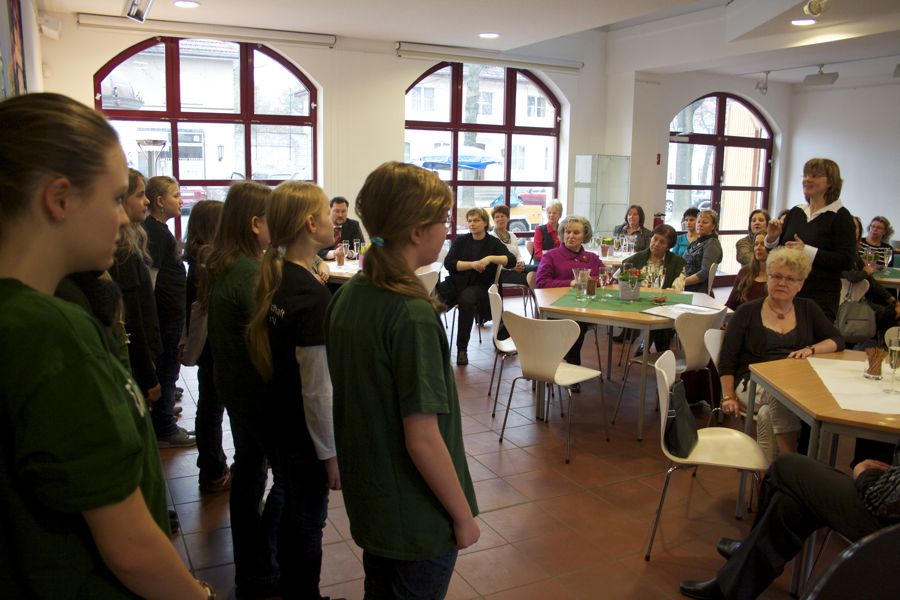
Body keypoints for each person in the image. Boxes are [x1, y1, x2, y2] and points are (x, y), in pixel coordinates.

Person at [0, 92, 210, 598]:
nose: (124, 218)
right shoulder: (49, 331)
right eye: (116, 198)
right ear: (60, 198)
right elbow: (132, 548)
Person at [324, 161, 480, 598]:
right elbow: (423, 437)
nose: (447, 231)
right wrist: (462, 515)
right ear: (415, 231)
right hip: (416, 513)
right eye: (443, 221)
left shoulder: (349, 295)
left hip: (373, 498)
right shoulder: (410, 313)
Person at [247, 182, 341, 599]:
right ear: (310, 222)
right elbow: (318, 391)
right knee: (307, 521)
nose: (333, 216)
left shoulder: (280, 277)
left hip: (278, 421)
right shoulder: (311, 299)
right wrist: (331, 453)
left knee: (290, 508)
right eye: (326, 210)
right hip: (303, 436)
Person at [678, 449, 900, 600]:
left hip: (888, 526)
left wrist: (865, 472)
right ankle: (733, 585)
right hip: (888, 505)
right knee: (791, 504)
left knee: (786, 466)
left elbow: (878, 498)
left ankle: (743, 559)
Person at [206, 182, 283, 598]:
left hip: (235, 390)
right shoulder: (250, 273)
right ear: (256, 224)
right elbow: (268, 346)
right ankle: (263, 565)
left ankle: (251, 564)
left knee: (249, 474)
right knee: (287, 478)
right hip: (256, 395)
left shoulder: (226, 262)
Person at [718, 248, 843, 462]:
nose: (782, 283)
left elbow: (837, 340)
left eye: (790, 278)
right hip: (753, 382)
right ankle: (792, 461)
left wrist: (811, 349)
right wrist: (728, 395)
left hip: (796, 383)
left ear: (800, 284)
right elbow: (727, 360)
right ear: (767, 278)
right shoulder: (746, 312)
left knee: (773, 411)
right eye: (776, 276)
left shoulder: (807, 308)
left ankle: (772, 470)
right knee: (780, 394)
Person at [765, 158, 856, 322]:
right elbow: (780, 252)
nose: (807, 179)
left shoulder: (841, 216)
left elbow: (846, 260)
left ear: (830, 182)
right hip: (786, 295)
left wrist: (806, 251)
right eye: (805, 175)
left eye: (814, 176)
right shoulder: (796, 212)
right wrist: (772, 238)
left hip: (820, 298)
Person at [143, 175, 196, 447]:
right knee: (166, 370)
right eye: (176, 195)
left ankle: (163, 411)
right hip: (165, 317)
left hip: (172, 314)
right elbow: (149, 284)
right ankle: (164, 427)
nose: (181, 200)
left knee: (169, 371)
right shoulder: (154, 233)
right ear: (160, 201)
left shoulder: (160, 231)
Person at [182, 200, 231, 494]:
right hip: (213, 343)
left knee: (209, 406)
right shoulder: (209, 257)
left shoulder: (198, 253)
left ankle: (211, 466)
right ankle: (212, 469)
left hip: (207, 344)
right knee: (212, 408)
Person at [109, 168, 162, 407]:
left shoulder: (132, 245)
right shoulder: (123, 255)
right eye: (140, 195)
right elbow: (132, 319)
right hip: (137, 362)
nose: (147, 200)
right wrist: (147, 374)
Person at [438, 207, 517, 366]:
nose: (472, 224)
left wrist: (490, 258)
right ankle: (433, 347)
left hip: (480, 286)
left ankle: (462, 349)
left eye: (476, 220)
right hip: (456, 283)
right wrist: (473, 264)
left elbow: (511, 260)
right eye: (470, 221)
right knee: (431, 298)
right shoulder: (461, 241)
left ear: (485, 222)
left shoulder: (493, 243)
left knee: (466, 300)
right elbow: (449, 263)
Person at [536, 215, 605, 377]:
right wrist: (571, 283)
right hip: (558, 308)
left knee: (580, 320)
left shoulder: (592, 258)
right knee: (577, 323)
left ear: (584, 236)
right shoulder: (551, 256)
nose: (571, 236)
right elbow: (542, 282)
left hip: (588, 308)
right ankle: (573, 364)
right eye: (568, 232)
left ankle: (569, 363)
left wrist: (590, 280)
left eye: (576, 233)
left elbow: (605, 278)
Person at [623, 224, 686, 352]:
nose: (656, 244)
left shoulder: (677, 262)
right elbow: (621, 281)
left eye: (662, 242)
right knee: (659, 325)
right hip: (637, 305)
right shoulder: (635, 259)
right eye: (655, 239)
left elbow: (676, 289)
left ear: (669, 246)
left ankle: (644, 347)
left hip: (664, 306)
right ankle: (660, 353)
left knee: (660, 320)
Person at [683, 209, 723, 294]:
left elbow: (704, 274)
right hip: (685, 287)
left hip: (697, 291)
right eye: (698, 222)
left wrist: (681, 282)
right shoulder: (695, 243)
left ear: (713, 226)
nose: (700, 224)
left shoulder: (712, 243)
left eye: (705, 222)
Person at [726, 233, 769, 311]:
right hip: (741, 319)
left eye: (763, 244)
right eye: (756, 244)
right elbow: (731, 303)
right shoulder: (744, 271)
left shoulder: (777, 277)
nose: (758, 248)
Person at [490, 204, 529, 285]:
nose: (500, 219)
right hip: (501, 272)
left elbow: (518, 254)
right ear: (493, 220)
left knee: (538, 270)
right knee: (532, 278)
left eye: (502, 216)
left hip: (516, 268)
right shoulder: (491, 237)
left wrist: (520, 263)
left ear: (508, 218)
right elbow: (493, 262)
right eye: (497, 217)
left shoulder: (512, 235)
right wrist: (512, 267)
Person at [317, 195, 365, 260]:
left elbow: (362, 249)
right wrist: (334, 253)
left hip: (348, 265)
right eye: (337, 211)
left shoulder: (353, 225)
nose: (340, 215)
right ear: (329, 211)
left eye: (343, 211)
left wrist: (351, 253)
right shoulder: (321, 225)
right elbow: (315, 250)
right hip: (325, 264)